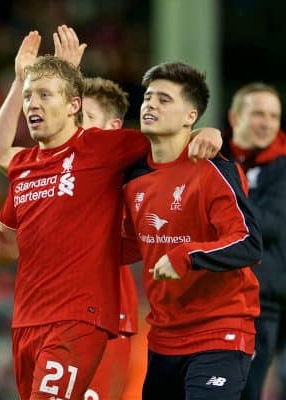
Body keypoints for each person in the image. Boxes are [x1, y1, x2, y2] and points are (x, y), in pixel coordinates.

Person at [0, 30, 221, 400]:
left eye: (44, 95)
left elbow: (166, 140)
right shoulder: (24, 166)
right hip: (27, 321)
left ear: (72, 105)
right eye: (29, 96)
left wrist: (208, 132)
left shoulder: (99, 147)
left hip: (79, 318)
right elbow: (6, 247)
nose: (32, 104)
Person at [121, 62, 262, 400]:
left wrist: (185, 255)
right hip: (163, 338)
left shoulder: (213, 168)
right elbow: (127, 248)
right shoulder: (133, 178)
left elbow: (248, 243)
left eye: (164, 100)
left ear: (190, 116)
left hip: (220, 332)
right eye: (149, 98)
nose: (150, 105)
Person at [222, 82, 286, 400]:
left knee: (247, 391)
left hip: (262, 303)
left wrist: (219, 208)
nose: (267, 122)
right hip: (211, 299)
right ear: (235, 117)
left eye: (273, 116)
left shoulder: (283, 167)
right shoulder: (215, 157)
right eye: (258, 113)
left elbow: (270, 224)